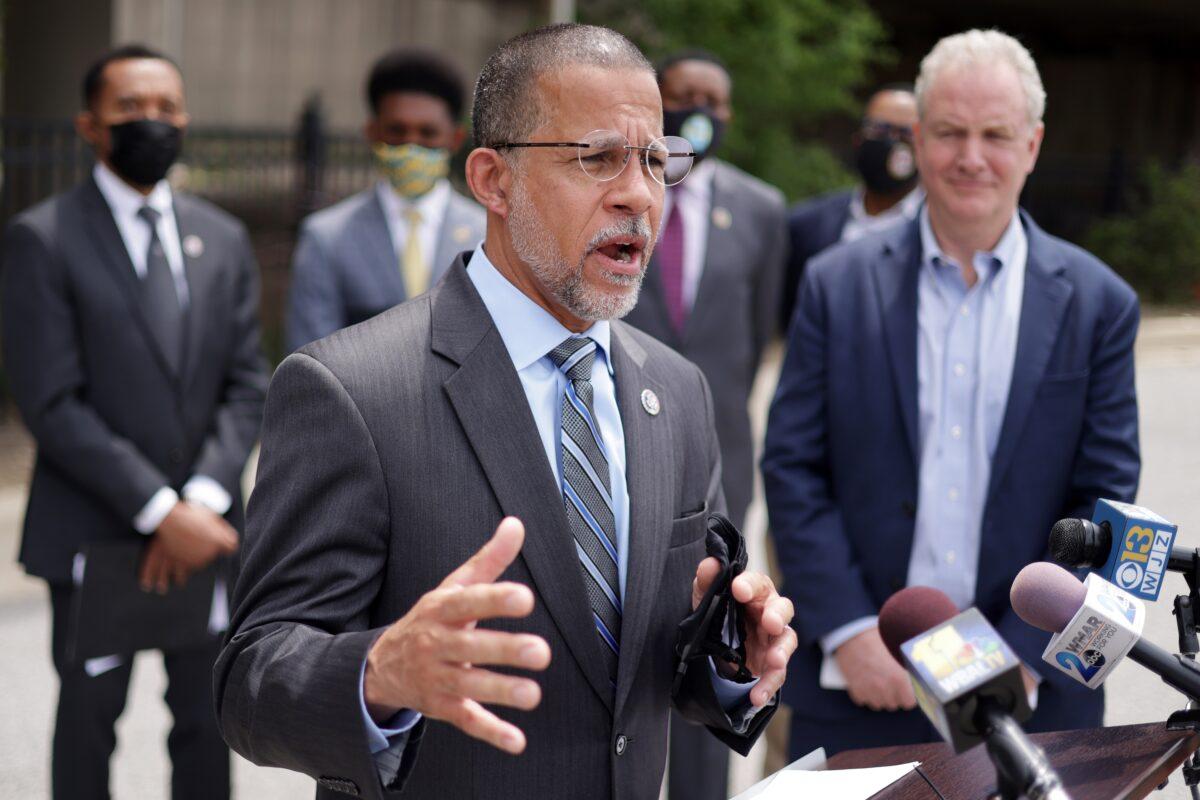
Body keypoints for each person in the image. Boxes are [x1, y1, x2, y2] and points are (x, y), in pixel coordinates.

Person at [215, 23, 795, 800]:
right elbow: (250, 683)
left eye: (658, 160)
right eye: (597, 156)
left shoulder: (678, 391)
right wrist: (379, 673)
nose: (637, 193)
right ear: (493, 179)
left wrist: (729, 657)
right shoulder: (351, 389)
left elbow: (645, 681)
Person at [762, 29, 1139, 759]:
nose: (971, 157)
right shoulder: (836, 285)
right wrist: (849, 630)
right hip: (864, 680)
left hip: (1032, 692)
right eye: (949, 132)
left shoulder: (1099, 303)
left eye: (995, 135)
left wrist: (1017, 654)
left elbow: (1102, 500)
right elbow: (793, 469)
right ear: (918, 139)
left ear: (1031, 146)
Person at [0, 45, 267, 800]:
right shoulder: (42, 238)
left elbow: (246, 383)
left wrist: (202, 504)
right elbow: (50, 401)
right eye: (130, 110)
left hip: (206, 534)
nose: (153, 123)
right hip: (95, 531)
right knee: (88, 725)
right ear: (89, 124)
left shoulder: (222, 238)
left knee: (208, 723)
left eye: (167, 109)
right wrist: (159, 511)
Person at [620, 48, 785, 800]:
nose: (699, 112)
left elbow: (754, 338)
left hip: (719, 457)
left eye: (712, 101)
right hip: (619, 452)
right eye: (682, 97)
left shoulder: (761, 209)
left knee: (712, 639)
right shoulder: (623, 196)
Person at [286, 48, 486, 352]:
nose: (411, 146)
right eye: (397, 131)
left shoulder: (488, 235)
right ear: (373, 132)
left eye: (427, 133)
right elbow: (310, 357)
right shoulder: (326, 237)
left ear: (455, 139)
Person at [780, 85, 922, 329]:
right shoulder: (808, 224)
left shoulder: (942, 233)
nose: (892, 143)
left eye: (905, 134)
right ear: (859, 139)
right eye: (880, 130)